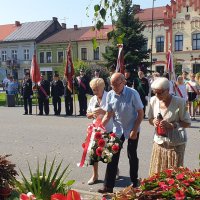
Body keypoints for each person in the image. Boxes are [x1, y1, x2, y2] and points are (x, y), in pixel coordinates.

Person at [98, 73, 144, 193]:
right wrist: (99, 127)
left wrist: (134, 130)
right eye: (111, 85)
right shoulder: (110, 95)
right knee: (112, 156)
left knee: (132, 155)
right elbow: (108, 114)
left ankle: (134, 183)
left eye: (116, 85)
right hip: (118, 129)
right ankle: (108, 186)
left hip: (132, 128)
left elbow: (140, 114)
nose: (113, 88)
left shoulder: (133, 93)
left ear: (123, 82)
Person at [148, 77, 191, 176]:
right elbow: (150, 119)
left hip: (175, 145)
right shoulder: (153, 100)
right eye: (155, 92)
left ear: (167, 90)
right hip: (159, 142)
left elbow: (187, 123)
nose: (157, 95)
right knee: (157, 173)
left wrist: (173, 125)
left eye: (160, 92)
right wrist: (153, 121)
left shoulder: (179, 102)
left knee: (172, 176)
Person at [86, 78, 114, 185]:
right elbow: (87, 114)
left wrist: (103, 111)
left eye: (97, 89)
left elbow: (115, 113)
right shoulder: (93, 99)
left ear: (102, 88)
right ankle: (95, 175)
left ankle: (113, 171)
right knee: (93, 152)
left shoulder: (109, 97)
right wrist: (92, 114)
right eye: (93, 90)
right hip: (96, 130)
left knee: (110, 153)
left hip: (109, 129)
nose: (95, 92)